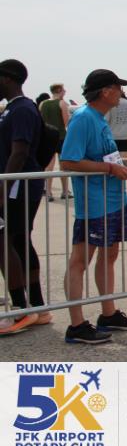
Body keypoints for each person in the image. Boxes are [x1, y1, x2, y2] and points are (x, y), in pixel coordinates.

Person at [60, 69, 127, 343]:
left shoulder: (99, 118)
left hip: (114, 201)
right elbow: (69, 161)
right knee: (80, 261)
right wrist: (110, 169)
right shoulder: (83, 118)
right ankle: (76, 325)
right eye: (118, 88)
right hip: (95, 205)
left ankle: (108, 313)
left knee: (109, 256)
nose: (122, 93)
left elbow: (104, 157)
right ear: (106, 91)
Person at [0, 59, 48, 334]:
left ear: (7, 78)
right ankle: (37, 307)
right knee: (19, 242)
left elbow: (19, 152)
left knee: (7, 243)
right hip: (15, 186)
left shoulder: (22, 109)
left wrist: (3, 188)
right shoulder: (12, 108)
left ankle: (20, 308)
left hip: (17, 187)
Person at [38, 83, 71, 200]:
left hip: (47, 137)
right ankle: (65, 191)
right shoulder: (62, 103)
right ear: (59, 90)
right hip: (61, 137)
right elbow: (66, 122)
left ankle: (48, 192)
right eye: (63, 90)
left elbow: (40, 120)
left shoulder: (43, 104)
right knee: (63, 166)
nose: (65, 92)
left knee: (49, 166)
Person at [104, 93, 127, 159]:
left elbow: (105, 122)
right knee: (123, 161)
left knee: (111, 161)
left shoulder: (111, 104)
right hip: (125, 138)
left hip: (112, 137)